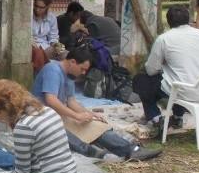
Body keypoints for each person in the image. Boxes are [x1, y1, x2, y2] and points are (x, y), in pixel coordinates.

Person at [32, 46, 162, 161]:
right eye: (82, 69)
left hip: (58, 115)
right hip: (43, 117)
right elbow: (51, 100)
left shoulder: (69, 75)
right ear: (72, 62)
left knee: (95, 125)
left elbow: (71, 101)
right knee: (64, 134)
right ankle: (101, 154)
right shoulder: (52, 70)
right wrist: (76, 116)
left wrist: (89, 113)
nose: (83, 73)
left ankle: (131, 149)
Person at [134, 6, 199, 128]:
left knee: (141, 80)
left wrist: (165, 64)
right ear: (188, 20)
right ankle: (178, 116)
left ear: (169, 22)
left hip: (180, 89)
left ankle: (155, 118)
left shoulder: (164, 38)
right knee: (178, 76)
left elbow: (151, 70)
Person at [31, 0, 59, 73]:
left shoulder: (52, 18)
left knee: (66, 54)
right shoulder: (28, 16)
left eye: (41, 7)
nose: (37, 9)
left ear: (47, 7)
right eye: (36, 6)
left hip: (46, 46)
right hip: (32, 46)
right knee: (39, 53)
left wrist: (55, 45)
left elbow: (53, 37)